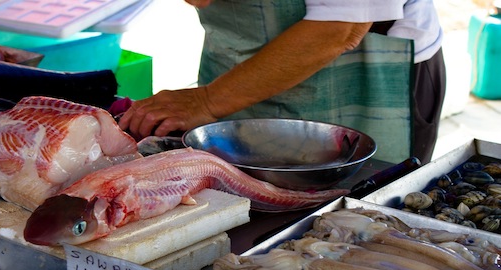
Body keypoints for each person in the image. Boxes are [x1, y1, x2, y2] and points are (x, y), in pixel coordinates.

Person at [118, 0, 446, 164]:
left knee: (357, 216)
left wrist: (206, 102)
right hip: (235, 63)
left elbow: (340, 29)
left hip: (365, 78)